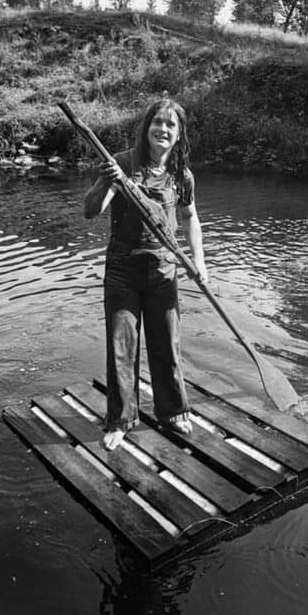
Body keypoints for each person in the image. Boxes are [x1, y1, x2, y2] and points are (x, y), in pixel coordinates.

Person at [83, 97, 208, 451]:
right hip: (123, 271)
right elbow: (91, 212)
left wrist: (200, 261)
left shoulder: (182, 174)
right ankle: (121, 420)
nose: (163, 130)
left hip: (163, 271)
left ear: (179, 134)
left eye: (171, 125)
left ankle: (173, 411)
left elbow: (189, 217)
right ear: (146, 128)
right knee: (122, 346)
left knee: (166, 343)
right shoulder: (121, 163)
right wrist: (105, 183)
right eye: (158, 123)